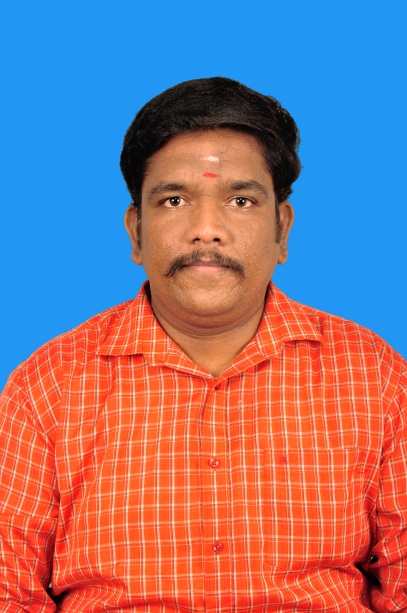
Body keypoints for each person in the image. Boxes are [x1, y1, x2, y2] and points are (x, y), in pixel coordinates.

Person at [0, 77, 406, 613]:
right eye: (174, 200)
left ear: (282, 229)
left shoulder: (374, 375)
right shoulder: (47, 385)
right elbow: (9, 591)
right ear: (136, 231)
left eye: (240, 200)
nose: (207, 229)